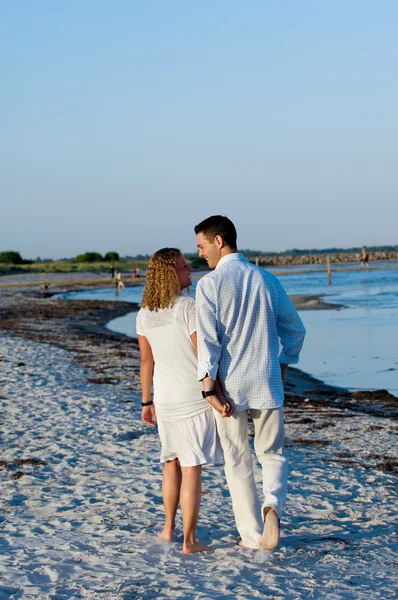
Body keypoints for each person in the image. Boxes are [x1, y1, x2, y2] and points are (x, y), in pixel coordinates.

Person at [194, 215, 306, 551]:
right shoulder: (267, 279)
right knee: (272, 454)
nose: (200, 254)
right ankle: (272, 504)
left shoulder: (209, 285)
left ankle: (254, 535)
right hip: (268, 381)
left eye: (201, 245)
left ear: (219, 240)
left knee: (237, 458)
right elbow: (296, 330)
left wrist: (207, 387)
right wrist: (284, 364)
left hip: (230, 386)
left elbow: (209, 343)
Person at [136, 247, 232, 554]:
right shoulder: (188, 307)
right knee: (191, 467)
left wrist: (146, 402)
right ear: (170, 274)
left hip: (164, 397)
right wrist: (216, 392)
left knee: (171, 462)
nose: (189, 269)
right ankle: (189, 541)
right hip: (191, 397)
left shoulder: (144, 313)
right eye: (183, 266)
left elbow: (146, 363)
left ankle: (168, 529)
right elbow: (202, 355)